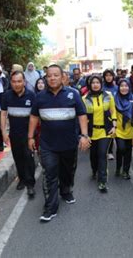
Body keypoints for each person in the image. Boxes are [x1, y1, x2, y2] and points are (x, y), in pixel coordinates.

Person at [28, 64, 89, 223]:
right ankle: (50, 207)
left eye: (56, 75)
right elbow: (34, 117)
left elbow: (82, 115)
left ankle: (66, 190)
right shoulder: (40, 97)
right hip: (47, 145)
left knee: (67, 172)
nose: (53, 78)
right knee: (50, 175)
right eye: (49, 75)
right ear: (46, 78)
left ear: (62, 77)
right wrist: (30, 137)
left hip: (69, 144)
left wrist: (84, 135)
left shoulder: (73, 94)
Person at [0, 71, 36, 198]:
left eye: (19, 81)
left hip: (28, 134)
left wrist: (32, 136)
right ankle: (22, 179)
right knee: (18, 157)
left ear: (24, 82)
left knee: (28, 157)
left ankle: (30, 183)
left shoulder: (31, 96)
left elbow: (35, 117)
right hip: (14, 133)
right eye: (14, 81)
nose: (16, 84)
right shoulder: (6, 96)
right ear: (10, 82)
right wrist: (4, 132)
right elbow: (3, 114)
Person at [83, 75, 116, 192]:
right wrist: (84, 134)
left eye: (97, 82)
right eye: (93, 83)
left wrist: (114, 126)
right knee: (93, 155)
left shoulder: (108, 96)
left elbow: (113, 111)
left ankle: (102, 181)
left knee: (102, 154)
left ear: (101, 84)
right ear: (90, 84)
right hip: (91, 132)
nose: (95, 84)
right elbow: (82, 117)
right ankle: (94, 170)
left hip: (105, 131)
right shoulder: (85, 98)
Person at [114, 79, 133, 179]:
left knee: (128, 151)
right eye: (122, 86)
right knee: (121, 148)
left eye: (126, 86)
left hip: (130, 129)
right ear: (118, 88)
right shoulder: (114, 99)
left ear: (129, 87)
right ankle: (118, 167)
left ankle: (126, 171)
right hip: (118, 129)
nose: (124, 88)